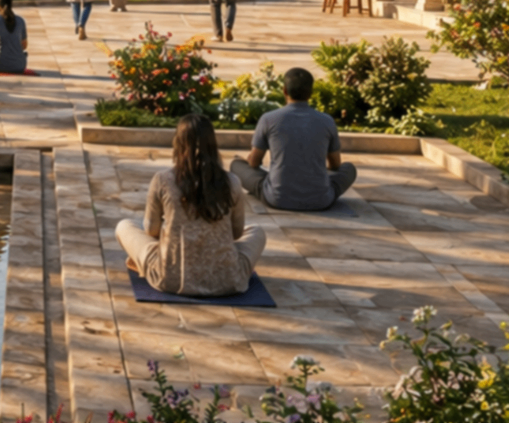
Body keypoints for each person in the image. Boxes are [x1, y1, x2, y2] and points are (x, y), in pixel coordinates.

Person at [115, 114, 266, 297]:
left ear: (178, 142)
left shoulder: (163, 179)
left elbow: (151, 231)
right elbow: (236, 234)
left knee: (125, 226)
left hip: (171, 278)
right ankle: (234, 267)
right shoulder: (232, 181)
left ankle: (143, 262)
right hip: (227, 280)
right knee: (257, 232)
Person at [231, 66, 356, 211]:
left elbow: (254, 162)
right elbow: (335, 165)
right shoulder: (327, 121)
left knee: (236, 165)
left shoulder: (269, 119)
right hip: (320, 200)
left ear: (284, 90)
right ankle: (316, 184)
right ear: (311, 93)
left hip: (277, 198)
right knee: (349, 169)